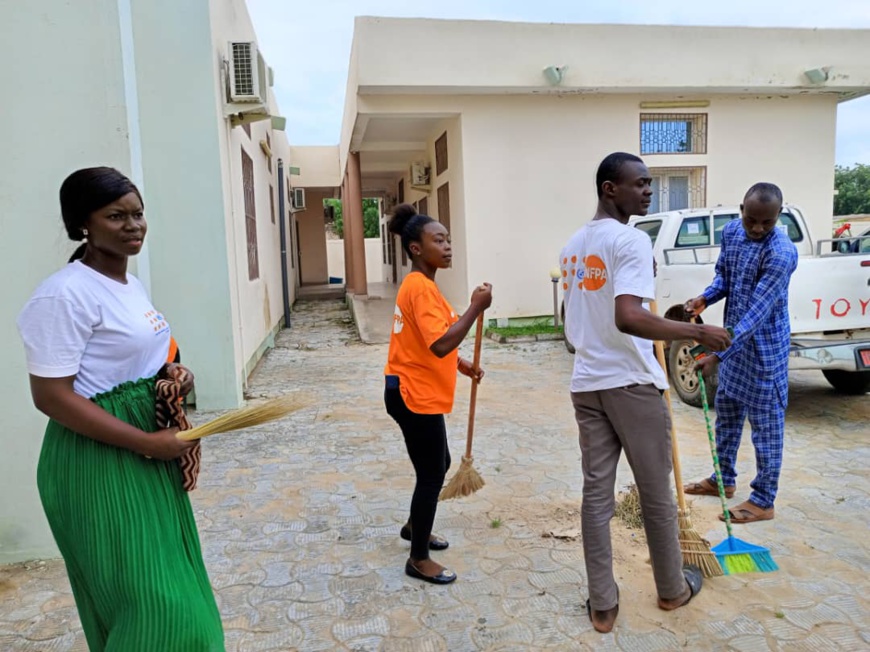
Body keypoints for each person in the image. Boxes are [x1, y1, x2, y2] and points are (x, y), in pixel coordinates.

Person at [17, 167, 224, 651]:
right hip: (98, 461)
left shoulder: (130, 286)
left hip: (145, 454)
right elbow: (50, 396)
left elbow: (142, 360)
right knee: (157, 605)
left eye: (138, 213)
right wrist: (148, 443)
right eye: (116, 216)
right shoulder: (63, 294)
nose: (133, 225)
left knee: (170, 588)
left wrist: (174, 373)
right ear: (83, 224)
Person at [561, 152, 732, 633]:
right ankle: (672, 588)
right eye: (640, 184)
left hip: (587, 383)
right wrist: (698, 334)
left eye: (650, 184)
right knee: (657, 493)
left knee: (596, 495)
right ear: (609, 188)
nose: (649, 191)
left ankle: (602, 603)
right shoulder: (631, 241)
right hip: (631, 385)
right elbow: (627, 316)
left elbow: (581, 320)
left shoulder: (572, 245)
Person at [384, 203, 492, 585]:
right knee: (432, 472)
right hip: (413, 394)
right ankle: (418, 559)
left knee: (438, 462)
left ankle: (416, 525)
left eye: (448, 239)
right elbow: (439, 345)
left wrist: (462, 365)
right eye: (438, 240)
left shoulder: (423, 287)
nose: (447, 246)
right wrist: (476, 308)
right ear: (416, 248)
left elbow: (431, 340)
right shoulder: (420, 288)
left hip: (410, 389)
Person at [684, 183, 798, 524]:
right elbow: (725, 277)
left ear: (779, 215)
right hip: (732, 342)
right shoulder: (732, 232)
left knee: (767, 428)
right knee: (728, 417)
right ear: (741, 211)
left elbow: (756, 313)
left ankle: (763, 500)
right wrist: (706, 298)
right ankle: (723, 480)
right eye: (751, 220)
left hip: (764, 351)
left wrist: (717, 354)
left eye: (767, 222)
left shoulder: (780, 253)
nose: (758, 228)